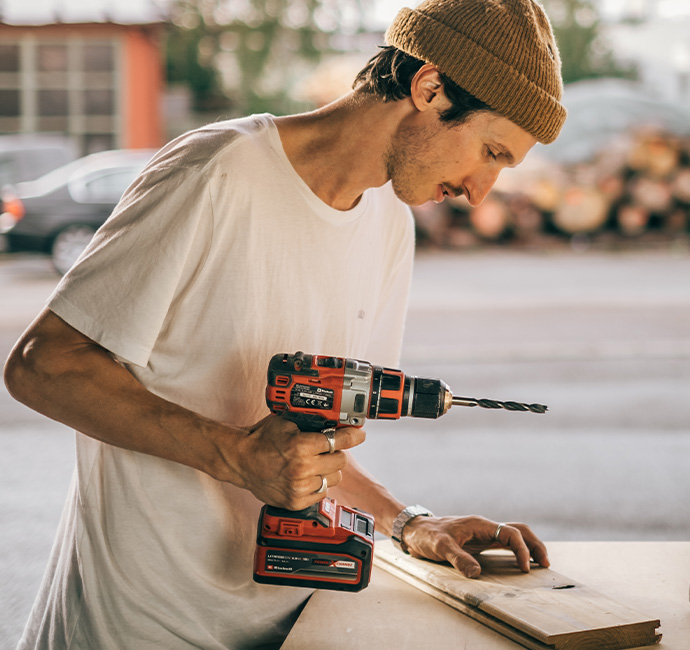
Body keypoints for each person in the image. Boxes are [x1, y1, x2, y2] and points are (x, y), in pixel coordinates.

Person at [3, 0, 566, 646]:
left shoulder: (388, 227)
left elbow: (306, 448)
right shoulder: (215, 172)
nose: (481, 191)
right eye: (491, 152)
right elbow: (41, 366)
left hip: (288, 625)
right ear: (430, 87)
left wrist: (408, 522)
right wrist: (237, 457)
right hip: (137, 626)